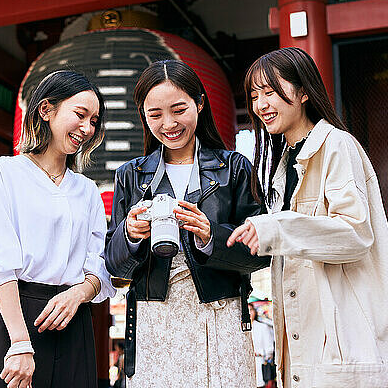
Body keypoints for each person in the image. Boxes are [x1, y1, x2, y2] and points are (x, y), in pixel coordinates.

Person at [227, 47, 388, 387]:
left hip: (343, 343)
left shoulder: (337, 145)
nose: (260, 105)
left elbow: (354, 235)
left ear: (303, 92)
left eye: (270, 91)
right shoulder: (284, 165)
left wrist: (275, 227)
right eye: (254, 95)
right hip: (309, 340)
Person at [105, 59, 270, 387]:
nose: (169, 123)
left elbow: (262, 252)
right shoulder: (131, 175)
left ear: (200, 103)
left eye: (178, 109)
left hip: (221, 315)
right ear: (144, 115)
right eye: (155, 114)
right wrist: (131, 235)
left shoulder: (233, 168)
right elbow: (114, 264)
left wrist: (212, 236)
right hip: (155, 322)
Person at [0, 70, 116, 388]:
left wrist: (78, 294)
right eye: (80, 114)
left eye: (94, 121)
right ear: (46, 110)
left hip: (74, 322)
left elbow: (100, 267)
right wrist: (20, 343)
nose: (87, 128)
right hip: (17, 318)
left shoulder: (87, 190)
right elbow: (0, 263)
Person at [249, 303, 275, 388]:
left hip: (259, 361)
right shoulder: (240, 329)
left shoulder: (262, 327)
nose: (249, 313)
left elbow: (269, 346)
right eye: (247, 310)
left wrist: (267, 359)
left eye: (251, 310)